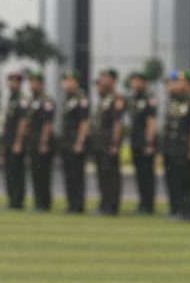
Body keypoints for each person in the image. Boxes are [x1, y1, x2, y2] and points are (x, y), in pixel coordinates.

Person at [161, 71, 190, 222]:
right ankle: (178, 209)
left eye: (180, 82)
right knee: (175, 180)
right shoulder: (175, 100)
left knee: (188, 180)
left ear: (189, 85)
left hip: (185, 146)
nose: (177, 85)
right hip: (172, 146)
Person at [89, 68, 125, 216]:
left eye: (105, 77)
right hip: (99, 143)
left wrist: (115, 144)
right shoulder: (104, 99)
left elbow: (117, 123)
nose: (102, 81)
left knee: (110, 175)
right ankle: (104, 204)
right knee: (102, 175)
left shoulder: (116, 99)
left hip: (108, 143)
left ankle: (111, 207)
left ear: (112, 81)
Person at [126, 71, 158, 214]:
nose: (134, 83)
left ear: (144, 82)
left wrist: (149, 142)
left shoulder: (149, 98)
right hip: (135, 140)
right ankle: (142, 203)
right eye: (133, 80)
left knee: (147, 174)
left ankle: (148, 205)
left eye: (138, 81)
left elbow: (151, 121)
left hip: (145, 141)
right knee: (139, 174)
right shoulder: (133, 97)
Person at [59, 70, 89, 214]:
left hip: (75, 140)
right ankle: (71, 204)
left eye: (69, 80)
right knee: (69, 174)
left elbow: (84, 122)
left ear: (76, 82)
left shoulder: (81, 98)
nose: (66, 83)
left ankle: (78, 205)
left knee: (76, 174)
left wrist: (80, 142)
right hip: (66, 141)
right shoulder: (68, 98)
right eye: (65, 80)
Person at [25, 71, 55, 211]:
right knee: (36, 174)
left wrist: (44, 142)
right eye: (31, 82)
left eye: (35, 82)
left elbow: (47, 123)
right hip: (33, 142)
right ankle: (38, 202)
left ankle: (44, 203)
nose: (32, 85)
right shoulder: (34, 100)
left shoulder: (46, 101)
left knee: (43, 174)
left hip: (41, 142)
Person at [1, 71, 27, 209]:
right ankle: (12, 200)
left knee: (17, 172)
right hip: (8, 141)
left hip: (15, 142)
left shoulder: (21, 99)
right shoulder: (12, 98)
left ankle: (17, 201)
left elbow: (22, 123)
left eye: (15, 81)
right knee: (9, 171)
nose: (12, 84)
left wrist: (18, 142)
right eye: (10, 81)